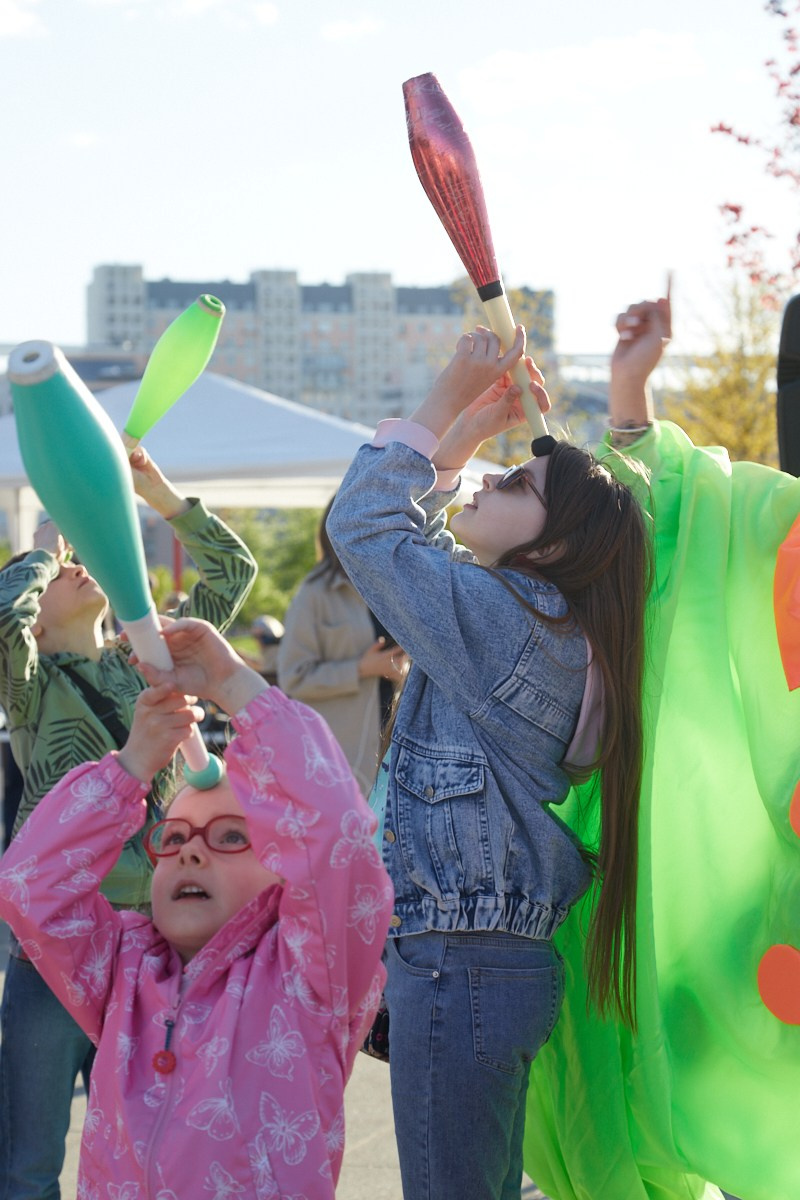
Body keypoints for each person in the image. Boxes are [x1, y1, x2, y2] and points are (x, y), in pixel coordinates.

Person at [326, 325, 653, 1200]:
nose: (482, 480)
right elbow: (409, 557)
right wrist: (460, 445)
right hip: (485, 962)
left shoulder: (509, 620)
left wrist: (441, 406)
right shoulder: (545, 628)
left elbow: (364, 527)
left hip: (458, 963)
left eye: (511, 483)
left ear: (553, 546)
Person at [0, 616, 393, 1197]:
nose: (190, 854)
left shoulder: (312, 972)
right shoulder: (120, 970)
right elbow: (29, 885)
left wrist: (235, 685)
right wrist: (132, 766)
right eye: (175, 837)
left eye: (231, 837)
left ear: (287, 867)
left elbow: (336, 836)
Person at [0, 445, 257, 1200]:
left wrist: (156, 492)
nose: (72, 568)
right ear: (37, 627)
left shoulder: (146, 656)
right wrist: (45, 552)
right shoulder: (32, 688)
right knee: (28, 1158)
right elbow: (2, 613)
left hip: (151, 943)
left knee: (156, 1145)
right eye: (54, 578)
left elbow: (232, 575)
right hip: (55, 943)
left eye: (72, 564)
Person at [278, 497, 408, 798]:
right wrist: (361, 669)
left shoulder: (397, 587)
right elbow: (293, 677)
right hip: (335, 762)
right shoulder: (315, 593)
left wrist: (402, 674)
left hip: (396, 754)